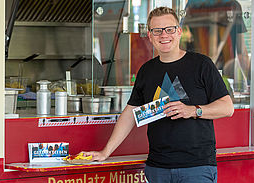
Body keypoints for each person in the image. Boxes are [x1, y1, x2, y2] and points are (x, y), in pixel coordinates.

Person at [83, 7, 234, 183]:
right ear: (149, 35)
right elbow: (130, 114)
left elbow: (227, 107)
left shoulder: (201, 64)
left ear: (179, 31)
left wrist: (193, 110)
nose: (164, 35)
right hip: (157, 169)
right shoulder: (146, 71)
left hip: (196, 167)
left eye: (169, 29)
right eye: (157, 31)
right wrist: (105, 152)